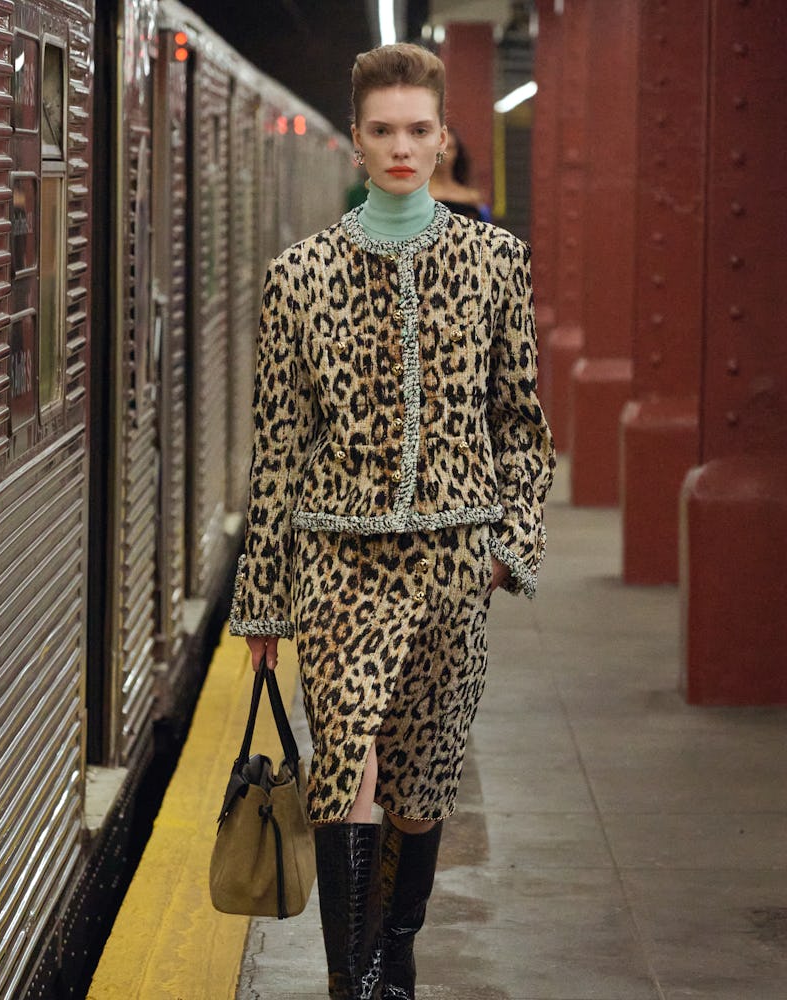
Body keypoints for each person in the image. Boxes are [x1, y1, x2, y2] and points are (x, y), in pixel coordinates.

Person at [229, 42, 555, 1000]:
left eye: (418, 130)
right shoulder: (299, 276)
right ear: (357, 141)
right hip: (339, 563)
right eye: (383, 131)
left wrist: (509, 547)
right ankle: (353, 982)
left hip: (454, 565)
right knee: (348, 770)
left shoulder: (495, 263)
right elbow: (278, 451)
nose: (402, 147)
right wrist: (263, 602)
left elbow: (521, 424)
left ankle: (395, 955)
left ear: (443, 134)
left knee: (422, 783)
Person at [429, 125, 491, 221]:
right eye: (438, 147)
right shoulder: (415, 195)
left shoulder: (472, 198)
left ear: (457, 152)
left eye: (449, 148)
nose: (443, 153)